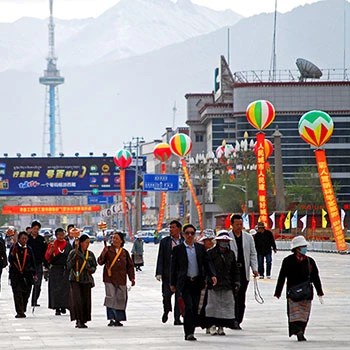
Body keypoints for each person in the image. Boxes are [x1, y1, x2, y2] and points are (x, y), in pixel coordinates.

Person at [170, 223, 217, 341]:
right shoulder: (178, 249)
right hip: (185, 282)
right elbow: (173, 268)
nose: (190, 235)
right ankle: (188, 333)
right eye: (187, 233)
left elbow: (207, 263)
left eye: (192, 233)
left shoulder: (200, 248)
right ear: (183, 235)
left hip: (197, 282)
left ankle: (192, 328)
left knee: (196, 307)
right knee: (188, 307)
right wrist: (172, 283)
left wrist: (213, 275)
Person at [274, 236, 324, 342]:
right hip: (293, 293)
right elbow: (282, 276)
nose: (305, 248)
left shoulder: (310, 261)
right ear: (297, 248)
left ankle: (300, 330)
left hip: (306, 293)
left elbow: (315, 276)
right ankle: (298, 331)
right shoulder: (288, 261)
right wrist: (278, 291)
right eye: (303, 246)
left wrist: (319, 291)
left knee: (304, 314)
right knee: (294, 314)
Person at [205, 231, 241, 336]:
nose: (224, 243)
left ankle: (221, 326)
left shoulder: (231, 254)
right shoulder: (211, 253)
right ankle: (212, 325)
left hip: (227, 284)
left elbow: (235, 269)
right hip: (214, 284)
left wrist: (237, 282)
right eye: (222, 241)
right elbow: (207, 268)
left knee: (225, 306)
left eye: (226, 241)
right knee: (212, 306)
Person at [98, 231, 135, 327]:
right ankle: (111, 318)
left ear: (121, 241)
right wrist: (103, 253)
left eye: (116, 238)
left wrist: (132, 278)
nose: (114, 240)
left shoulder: (124, 252)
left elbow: (130, 266)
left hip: (121, 279)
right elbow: (100, 262)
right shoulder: (108, 250)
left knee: (121, 298)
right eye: (113, 238)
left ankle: (118, 319)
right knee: (111, 297)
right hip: (109, 278)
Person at [228, 214, 259, 329]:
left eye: (241, 224)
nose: (239, 227)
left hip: (243, 271)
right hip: (231, 272)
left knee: (241, 297)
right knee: (232, 297)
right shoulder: (228, 237)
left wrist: (255, 268)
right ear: (232, 225)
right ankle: (233, 319)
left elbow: (253, 253)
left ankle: (238, 319)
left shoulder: (248, 237)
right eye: (237, 224)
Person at [155, 220, 184, 325]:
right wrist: (159, 272)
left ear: (179, 229)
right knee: (166, 295)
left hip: (180, 274)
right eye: (170, 228)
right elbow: (161, 257)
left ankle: (177, 318)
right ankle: (166, 310)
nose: (171, 230)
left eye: (173, 227)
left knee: (179, 297)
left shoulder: (184, 241)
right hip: (168, 274)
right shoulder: (165, 242)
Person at [67, 234, 97, 329]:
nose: (87, 245)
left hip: (86, 279)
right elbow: (68, 266)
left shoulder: (90, 254)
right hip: (75, 279)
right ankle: (78, 319)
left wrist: (90, 269)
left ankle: (84, 319)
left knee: (85, 300)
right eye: (86, 243)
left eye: (88, 243)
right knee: (77, 300)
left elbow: (94, 266)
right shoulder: (73, 252)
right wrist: (73, 260)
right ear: (81, 243)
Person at [8, 231, 37, 318]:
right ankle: (19, 311)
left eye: (25, 239)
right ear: (19, 239)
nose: (24, 240)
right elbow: (10, 260)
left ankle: (23, 307)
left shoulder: (29, 249)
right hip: (16, 274)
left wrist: (35, 273)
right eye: (22, 239)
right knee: (17, 293)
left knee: (26, 293)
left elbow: (33, 262)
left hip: (27, 274)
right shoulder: (14, 248)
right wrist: (13, 253)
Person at [45, 227, 72, 316]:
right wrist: (50, 251)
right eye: (59, 235)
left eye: (62, 235)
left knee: (65, 289)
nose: (61, 237)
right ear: (56, 236)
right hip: (55, 269)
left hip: (64, 269)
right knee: (55, 289)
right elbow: (47, 258)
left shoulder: (67, 245)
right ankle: (56, 307)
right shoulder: (52, 244)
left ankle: (64, 305)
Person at [27, 220, 48, 307]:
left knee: (38, 284)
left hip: (38, 264)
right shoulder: (27, 239)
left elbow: (45, 252)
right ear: (31, 229)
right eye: (34, 228)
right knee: (28, 283)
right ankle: (26, 299)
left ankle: (34, 300)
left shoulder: (41, 239)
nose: (35, 230)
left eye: (37, 229)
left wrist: (46, 264)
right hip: (28, 264)